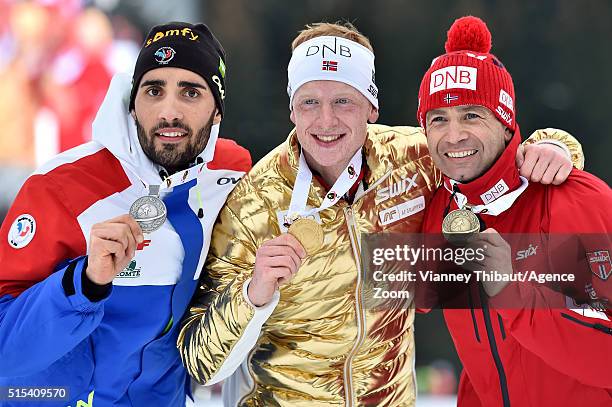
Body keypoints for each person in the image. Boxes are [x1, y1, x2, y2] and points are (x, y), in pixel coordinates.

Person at [177, 22, 582, 406]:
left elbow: (495, 150)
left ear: (371, 107)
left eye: (343, 101)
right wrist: (254, 294)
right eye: (309, 103)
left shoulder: (414, 158)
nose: (326, 121)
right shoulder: (253, 202)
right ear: (292, 111)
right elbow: (201, 363)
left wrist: (555, 147)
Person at [0, 22, 250, 406]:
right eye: (154, 91)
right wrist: (83, 284)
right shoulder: (59, 187)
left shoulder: (232, 171)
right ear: (133, 102)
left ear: (216, 111)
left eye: (190, 92)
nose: (169, 111)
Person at [418, 16, 611, 407]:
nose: (454, 135)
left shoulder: (579, 199)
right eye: (438, 119)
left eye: (472, 115)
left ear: (506, 125)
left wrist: (512, 291)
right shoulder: (435, 210)